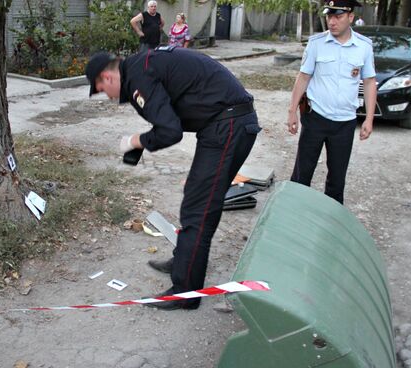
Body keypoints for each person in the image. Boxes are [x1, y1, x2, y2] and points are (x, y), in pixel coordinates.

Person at [85, 48, 260, 310]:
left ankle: (185, 292)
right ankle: (183, 264)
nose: (107, 96)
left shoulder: (137, 77)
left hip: (228, 125)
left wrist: (135, 141)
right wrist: (144, 142)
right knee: (196, 198)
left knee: (198, 209)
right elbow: (168, 120)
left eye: (100, 89)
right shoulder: (141, 67)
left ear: (106, 77)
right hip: (225, 123)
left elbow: (170, 131)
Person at [287, 0, 376, 204]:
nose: (332, 22)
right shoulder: (316, 43)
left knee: (337, 180)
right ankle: (293, 215)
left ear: (350, 17)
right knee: (302, 174)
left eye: (338, 16)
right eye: (329, 16)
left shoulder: (363, 46)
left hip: (344, 123)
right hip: (315, 118)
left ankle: (329, 224)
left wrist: (369, 119)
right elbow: (303, 77)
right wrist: (292, 111)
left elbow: (370, 82)